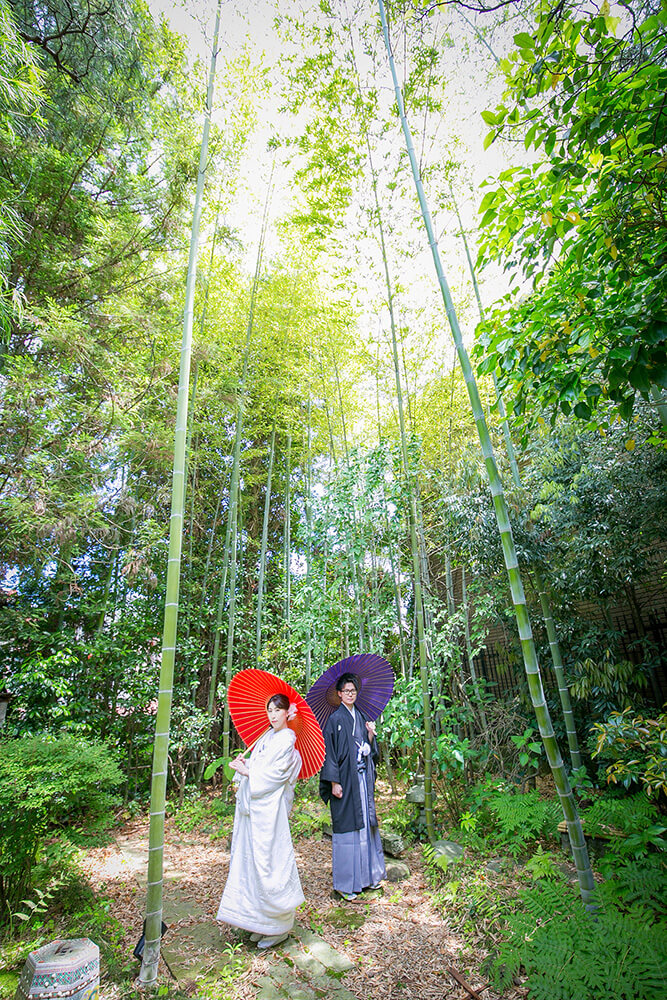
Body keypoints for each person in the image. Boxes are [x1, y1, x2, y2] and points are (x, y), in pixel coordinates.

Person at [216, 693, 304, 948]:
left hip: (270, 811)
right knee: (253, 864)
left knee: (269, 864)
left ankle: (279, 927)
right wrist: (246, 763)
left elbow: (275, 775)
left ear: (288, 712)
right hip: (254, 810)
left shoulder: (288, 739)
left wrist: (249, 771)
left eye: (278, 710)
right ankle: (260, 922)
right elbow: (260, 765)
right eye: (270, 710)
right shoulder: (267, 736)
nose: (273, 715)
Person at [319, 672, 386, 900]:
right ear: (339, 694)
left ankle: (369, 877)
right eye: (346, 691)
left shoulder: (362, 715)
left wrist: (369, 737)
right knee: (347, 829)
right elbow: (328, 754)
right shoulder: (335, 720)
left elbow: (370, 749)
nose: (350, 694)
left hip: (362, 781)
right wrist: (334, 782)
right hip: (345, 784)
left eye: (353, 691)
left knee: (366, 825)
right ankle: (346, 884)